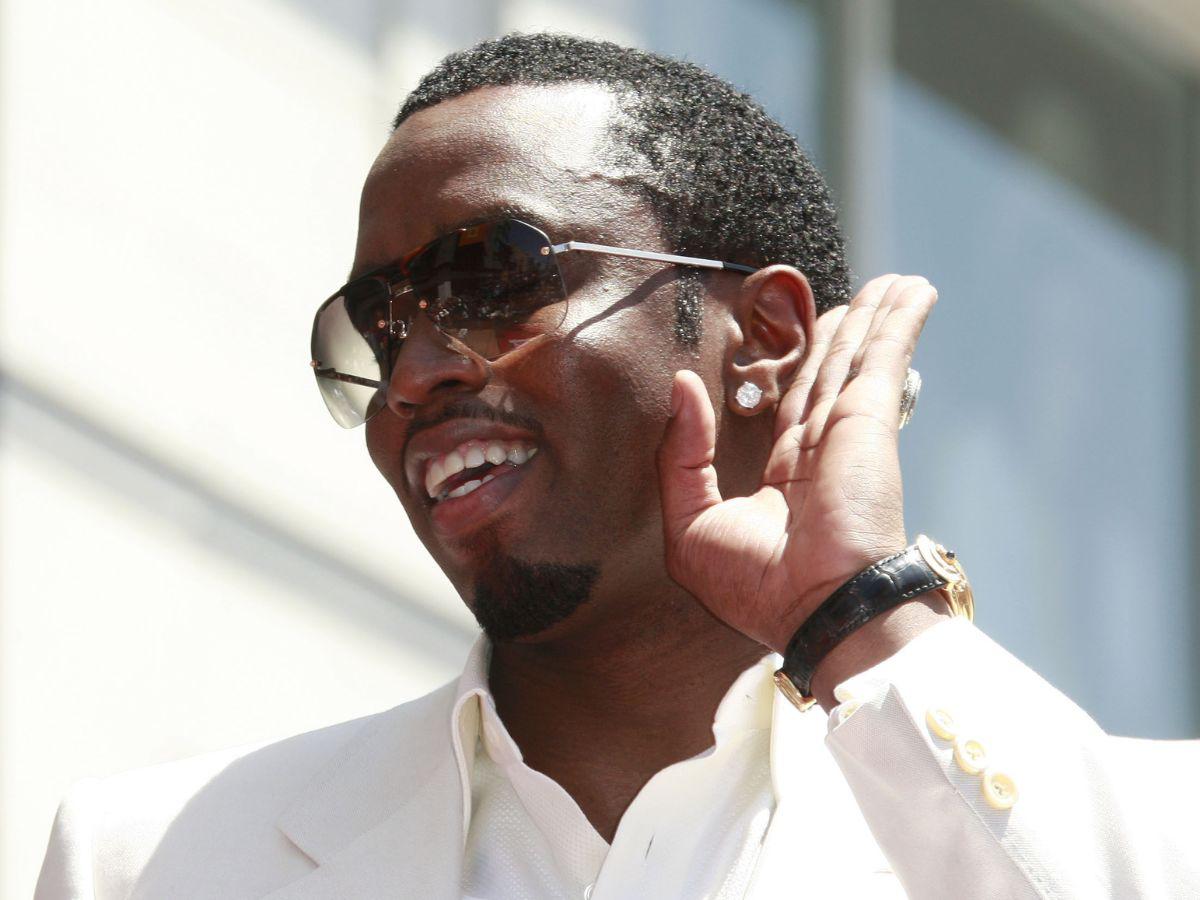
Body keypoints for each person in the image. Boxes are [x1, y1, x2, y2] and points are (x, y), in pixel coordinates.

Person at [36, 33, 1198, 900]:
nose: (413, 377)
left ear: (767, 337)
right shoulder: (157, 865)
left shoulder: (1125, 824)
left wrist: (862, 614)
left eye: (493, 278)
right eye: (378, 330)